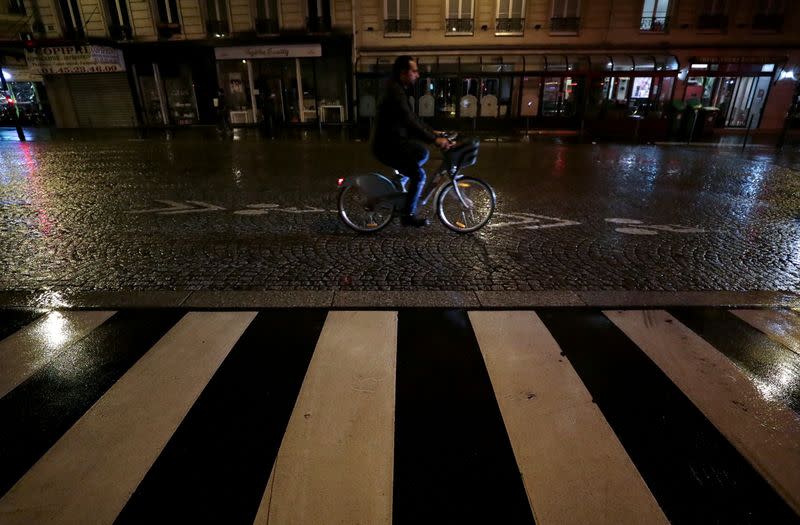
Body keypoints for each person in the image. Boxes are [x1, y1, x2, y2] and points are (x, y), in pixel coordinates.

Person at [372, 55, 452, 227]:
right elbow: (409, 122)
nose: (417, 74)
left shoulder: (397, 89)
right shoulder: (395, 92)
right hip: (388, 145)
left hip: (394, 141)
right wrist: (434, 139)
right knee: (419, 174)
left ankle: (399, 181)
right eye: (414, 71)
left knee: (422, 153)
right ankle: (407, 215)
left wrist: (433, 133)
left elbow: (413, 119)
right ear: (403, 73)